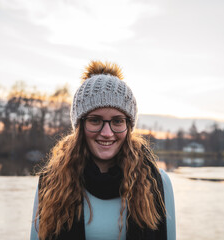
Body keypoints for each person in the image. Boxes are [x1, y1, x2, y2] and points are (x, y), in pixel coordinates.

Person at [30, 61, 175, 240]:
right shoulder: (50, 184)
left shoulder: (158, 183)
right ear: (80, 126)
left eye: (117, 121)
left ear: (128, 127)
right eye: (95, 120)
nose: (107, 133)